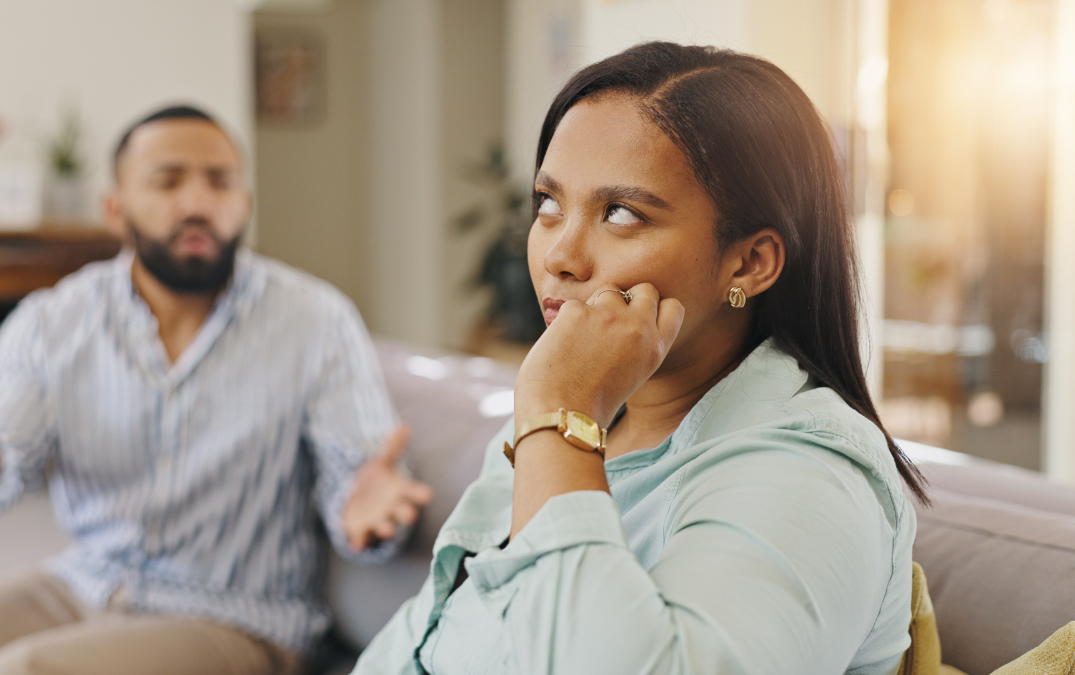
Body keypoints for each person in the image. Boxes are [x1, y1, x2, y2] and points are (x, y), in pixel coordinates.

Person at [353, 42, 926, 675]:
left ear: (749, 264)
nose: (559, 256)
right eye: (548, 204)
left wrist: (557, 413)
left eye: (621, 213)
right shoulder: (582, 418)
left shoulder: (813, 472)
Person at [0, 105, 433, 675]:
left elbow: (362, 482)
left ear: (244, 202)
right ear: (115, 209)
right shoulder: (52, 322)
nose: (196, 202)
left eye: (219, 181)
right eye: (168, 181)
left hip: (238, 618)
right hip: (86, 583)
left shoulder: (318, 320)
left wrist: (368, 510)